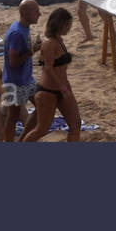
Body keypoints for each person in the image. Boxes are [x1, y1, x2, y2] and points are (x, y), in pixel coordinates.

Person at [23, 8, 82, 141]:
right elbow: (49, 69)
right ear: (59, 24)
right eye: (67, 24)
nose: (69, 28)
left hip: (63, 88)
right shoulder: (50, 43)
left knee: (76, 125)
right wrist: (63, 87)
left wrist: (65, 88)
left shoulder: (59, 39)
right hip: (47, 91)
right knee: (42, 129)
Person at [2, 0, 39, 139]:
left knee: (42, 106)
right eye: (36, 11)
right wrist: (33, 51)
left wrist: (32, 49)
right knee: (13, 116)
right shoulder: (17, 33)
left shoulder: (23, 28)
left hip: (26, 79)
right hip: (15, 81)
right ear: (26, 13)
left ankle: (24, 137)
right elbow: (13, 61)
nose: (39, 14)